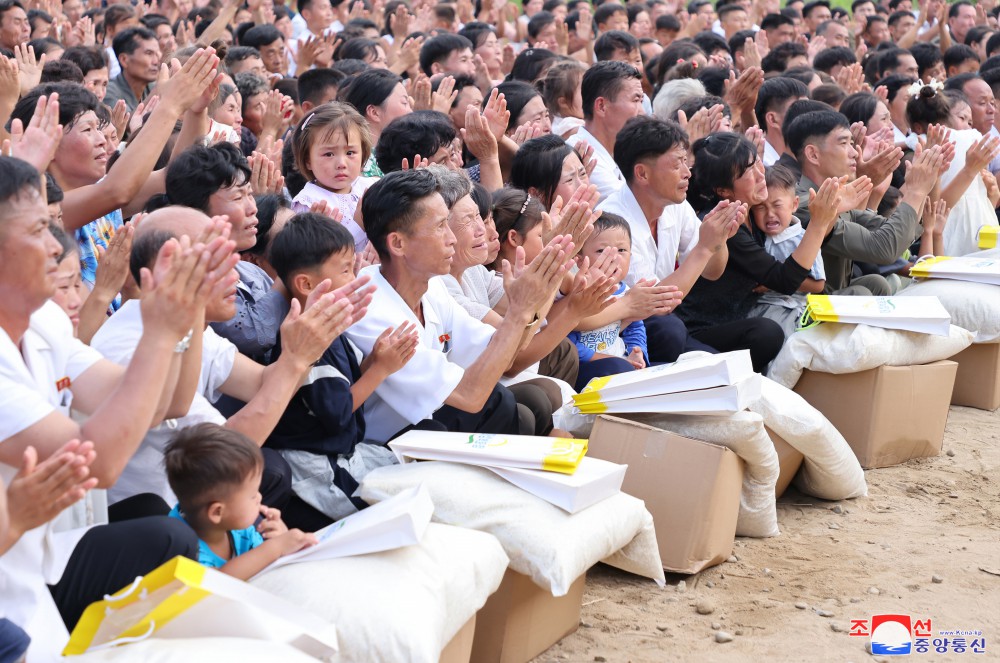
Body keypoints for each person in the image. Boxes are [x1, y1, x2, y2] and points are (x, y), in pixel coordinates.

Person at [0, 155, 235, 658]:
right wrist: (164, 329)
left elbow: (162, 401)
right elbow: (97, 462)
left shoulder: (44, 326)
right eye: (40, 228)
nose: (55, 246)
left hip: (25, 563)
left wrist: (185, 309)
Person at [344, 170, 574, 443]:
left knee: (512, 401)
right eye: (441, 226)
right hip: (390, 446)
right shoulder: (371, 309)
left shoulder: (431, 286)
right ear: (398, 243)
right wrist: (521, 312)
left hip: (432, 419)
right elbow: (469, 396)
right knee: (502, 404)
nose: (451, 238)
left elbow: (503, 352)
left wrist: (531, 302)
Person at [267, 213, 416, 520]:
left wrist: (373, 360)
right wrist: (380, 371)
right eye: (347, 270)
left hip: (344, 452)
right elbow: (337, 412)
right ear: (306, 284)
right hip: (315, 463)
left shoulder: (328, 327)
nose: (355, 279)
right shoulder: (305, 340)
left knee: (414, 471)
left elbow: (339, 387)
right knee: (379, 514)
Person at [599, 116, 744, 364]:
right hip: (622, 335)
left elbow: (713, 271)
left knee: (736, 359)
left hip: (666, 324)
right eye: (677, 164)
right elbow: (657, 305)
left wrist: (718, 239)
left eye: (686, 163)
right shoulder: (613, 221)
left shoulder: (675, 204)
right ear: (642, 173)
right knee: (669, 329)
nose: (688, 173)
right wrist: (705, 247)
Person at [787, 109, 942, 294]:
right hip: (802, 311)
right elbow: (884, 249)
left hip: (830, 297)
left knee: (875, 284)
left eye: (852, 143)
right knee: (862, 293)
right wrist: (916, 191)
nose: (854, 153)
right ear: (813, 155)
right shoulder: (806, 203)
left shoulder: (836, 194)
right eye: (844, 143)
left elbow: (893, 231)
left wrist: (918, 185)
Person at [165, 424, 317, 579]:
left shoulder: (237, 526)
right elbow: (213, 582)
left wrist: (281, 537)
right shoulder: (179, 547)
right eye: (252, 495)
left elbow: (261, 564)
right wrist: (275, 548)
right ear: (217, 512)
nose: (259, 497)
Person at [905, 83, 1000, 255]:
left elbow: (977, 200)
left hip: (979, 226)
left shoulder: (973, 143)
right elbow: (935, 209)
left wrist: (992, 194)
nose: (967, 127)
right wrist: (969, 171)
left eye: (970, 122)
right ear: (944, 116)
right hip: (945, 230)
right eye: (962, 119)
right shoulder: (922, 147)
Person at [567, 212, 650, 390]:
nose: (613, 257)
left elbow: (636, 327)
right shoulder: (577, 293)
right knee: (618, 369)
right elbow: (570, 344)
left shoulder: (627, 292)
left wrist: (637, 352)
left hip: (621, 360)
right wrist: (615, 360)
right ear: (579, 259)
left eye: (621, 250)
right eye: (601, 251)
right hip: (586, 367)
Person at [748, 165, 828, 336]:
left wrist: (772, 282)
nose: (770, 214)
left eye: (777, 205)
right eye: (761, 207)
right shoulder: (752, 236)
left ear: (794, 204)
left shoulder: (804, 239)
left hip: (788, 307)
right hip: (755, 307)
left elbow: (818, 284)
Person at [290, 102, 376, 252]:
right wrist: (357, 225)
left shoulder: (371, 187)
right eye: (328, 154)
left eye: (350, 153)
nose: (341, 163)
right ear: (307, 160)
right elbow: (314, 258)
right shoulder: (309, 203)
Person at [566, 61, 646, 202]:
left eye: (642, 101)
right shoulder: (580, 155)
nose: (642, 112)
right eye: (635, 100)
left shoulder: (624, 150)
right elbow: (636, 205)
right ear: (602, 106)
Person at [338, 68, 413, 178]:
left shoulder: (391, 155)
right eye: (404, 103)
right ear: (374, 112)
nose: (411, 111)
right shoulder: (359, 163)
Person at [103, 26, 160, 114]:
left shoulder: (151, 86)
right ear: (124, 60)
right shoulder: (108, 91)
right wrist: (159, 89)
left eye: (157, 54)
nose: (156, 61)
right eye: (149, 53)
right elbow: (128, 124)